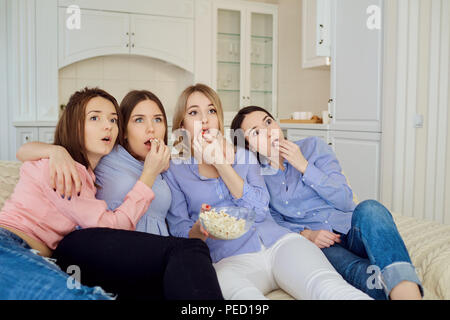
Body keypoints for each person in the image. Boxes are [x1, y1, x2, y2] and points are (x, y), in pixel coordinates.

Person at [163, 83, 372, 300]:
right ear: (182, 125)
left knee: (327, 287)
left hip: (281, 243)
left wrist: (221, 164)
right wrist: (200, 229)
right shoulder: (174, 172)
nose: (205, 119)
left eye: (211, 110)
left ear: (219, 119)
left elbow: (259, 209)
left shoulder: (244, 157)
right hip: (229, 260)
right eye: (194, 112)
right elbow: (179, 231)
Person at [15, 88, 224, 300]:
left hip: (150, 260)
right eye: (139, 120)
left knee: (188, 257)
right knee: (190, 252)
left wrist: (199, 229)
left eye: (158, 120)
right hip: (100, 250)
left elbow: (180, 223)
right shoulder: (107, 155)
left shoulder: (163, 166)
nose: (151, 129)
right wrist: (56, 151)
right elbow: (27, 151)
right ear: (123, 131)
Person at [230, 105, 424, 300]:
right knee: (356, 272)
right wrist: (306, 234)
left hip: (351, 228)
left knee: (371, 208)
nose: (269, 131)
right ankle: (403, 286)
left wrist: (304, 166)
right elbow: (271, 220)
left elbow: (345, 199)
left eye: (268, 121)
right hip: (323, 245)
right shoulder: (255, 176)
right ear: (248, 146)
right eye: (256, 132)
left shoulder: (313, 147)